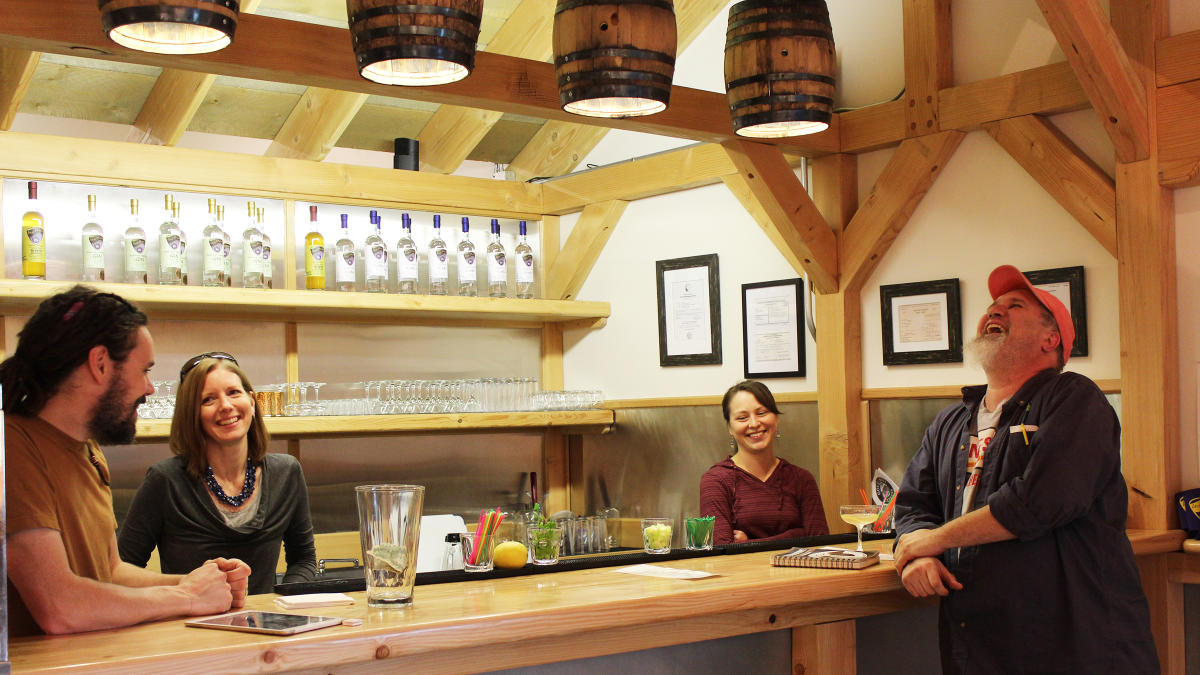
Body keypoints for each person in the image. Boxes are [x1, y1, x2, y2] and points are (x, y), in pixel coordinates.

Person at [893, 265, 1158, 673]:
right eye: (992, 308)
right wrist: (914, 554)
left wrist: (934, 541)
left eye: (1014, 306)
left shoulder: (1074, 398)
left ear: (1051, 339)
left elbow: (1039, 501)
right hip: (977, 643)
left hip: (1072, 642)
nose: (994, 313)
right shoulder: (948, 422)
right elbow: (913, 505)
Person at [0, 286, 249, 636]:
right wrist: (186, 596)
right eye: (144, 370)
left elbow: (109, 571)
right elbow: (59, 606)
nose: (149, 387)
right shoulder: (10, 444)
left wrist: (200, 581)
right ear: (100, 363)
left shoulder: (87, 448)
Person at [119, 353, 317, 595]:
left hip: (266, 626)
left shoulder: (286, 473)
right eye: (208, 399)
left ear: (252, 403)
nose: (225, 406)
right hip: (190, 626)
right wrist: (184, 587)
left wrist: (277, 604)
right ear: (191, 415)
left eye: (234, 392)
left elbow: (304, 560)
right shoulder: (165, 480)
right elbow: (122, 570)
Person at [699, 380, 828, 545]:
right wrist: (798, 534)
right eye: (742, 417)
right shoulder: (716, 480)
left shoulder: (802, 479)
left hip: (799, 571)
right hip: (741, 571)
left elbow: (820, 544)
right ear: (730, 428)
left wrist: (751, 543)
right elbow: (721, 549)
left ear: (776, 419)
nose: (754, 423)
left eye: (761, 413)